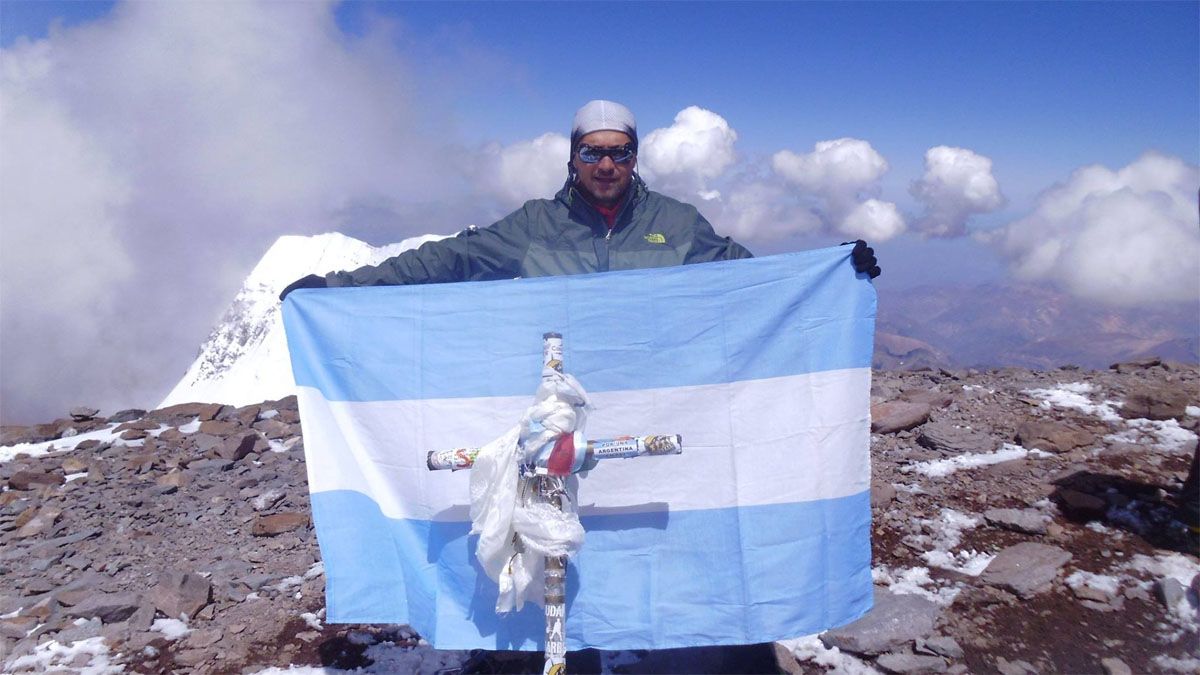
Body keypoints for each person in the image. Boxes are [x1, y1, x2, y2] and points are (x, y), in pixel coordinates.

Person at [281, 99, 880, 298]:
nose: (606, 164)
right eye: (592, 152)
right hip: (562, 401)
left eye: (619, 152)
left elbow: (750, 279)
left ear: (635, 158)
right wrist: (339, 289)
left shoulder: (676, 222)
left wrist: (830, 270)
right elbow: (448, 259)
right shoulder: (535, 225)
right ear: (572, 159)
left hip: (659, 387)